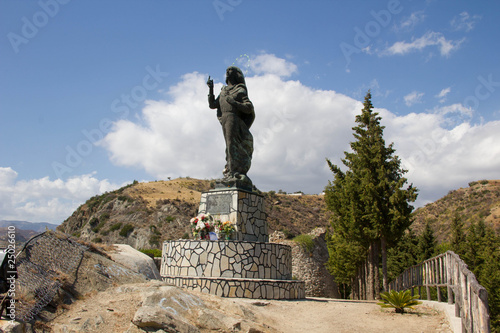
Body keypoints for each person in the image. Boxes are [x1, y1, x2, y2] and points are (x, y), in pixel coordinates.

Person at [207, 66, 255, 189]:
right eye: (226, 71)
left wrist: (234, 102)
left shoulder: (240, 89)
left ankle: (233, 173)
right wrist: (211, 89)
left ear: (235, 75)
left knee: (231, 144)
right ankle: (230, 171)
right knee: (229, 146)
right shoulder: (223, 90)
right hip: (225, 119)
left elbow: (248, 107)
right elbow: (213, 105)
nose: (227, 73)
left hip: (234, 119)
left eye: (231, 71)